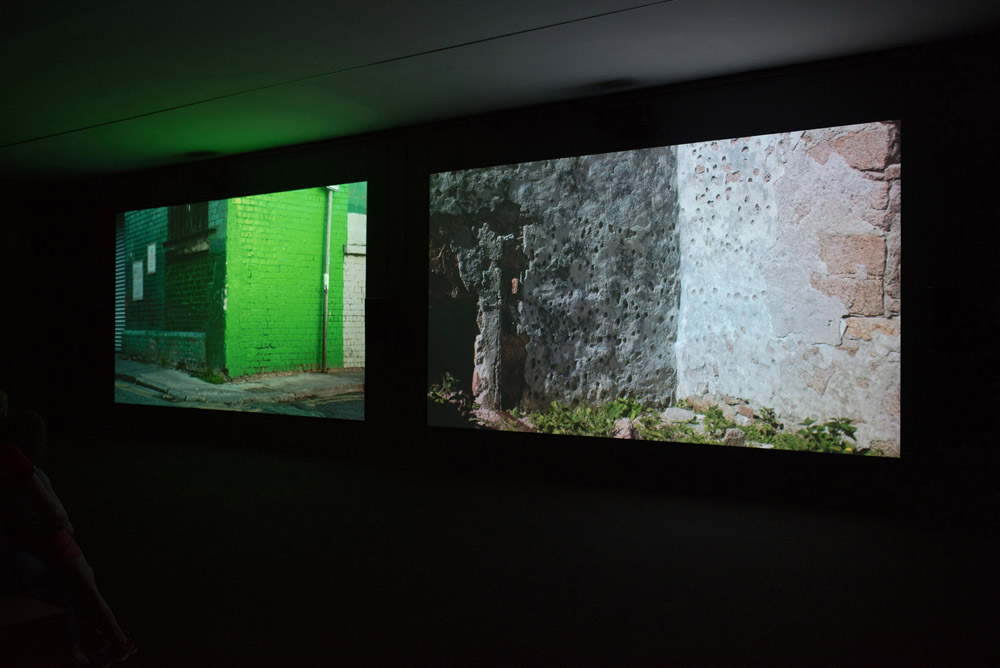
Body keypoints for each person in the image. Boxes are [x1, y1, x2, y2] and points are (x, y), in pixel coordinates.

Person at [0, 408, 136, 665]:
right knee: (89, 591)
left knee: (78, 591)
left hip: (35, 541)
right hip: (54, 540)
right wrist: (67, 527)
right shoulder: (31, 471)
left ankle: (99, 639)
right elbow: (57, 512)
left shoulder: (16, 467)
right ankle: (120, 642)